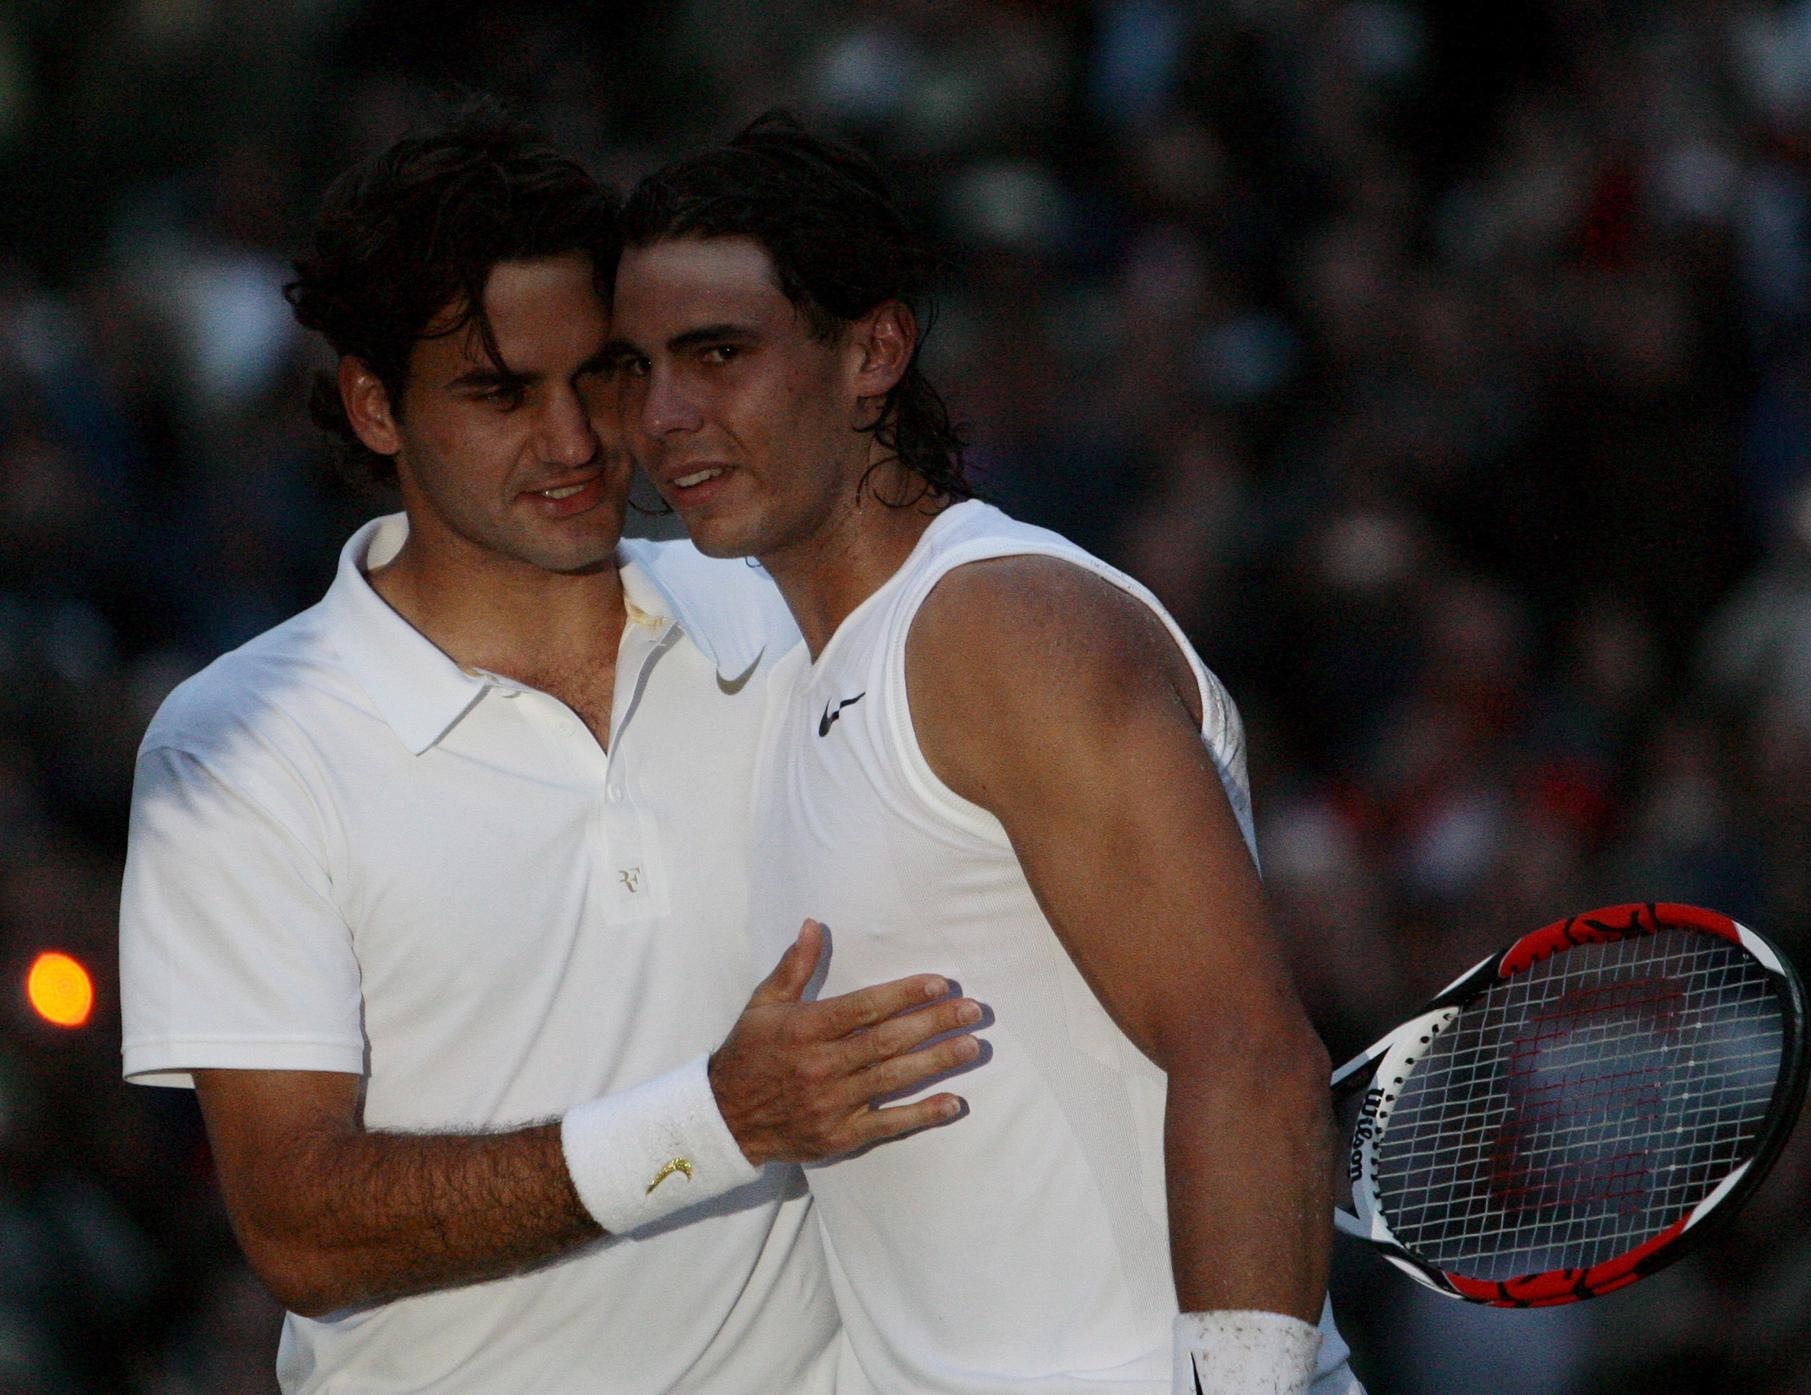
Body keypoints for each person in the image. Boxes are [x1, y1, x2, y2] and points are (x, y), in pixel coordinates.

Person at [116, 104, 985, 1395]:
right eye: (499, 391)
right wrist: (719, 1118)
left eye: (605, 374)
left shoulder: (788, 610)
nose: (576, 441)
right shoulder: (237, 743)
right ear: (372, 404)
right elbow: (299, 1220)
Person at [611, 113, 1363, 1395]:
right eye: (635, 370)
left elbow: (1247, 1054)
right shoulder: (808, 680)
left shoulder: (1000, 626)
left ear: (874, 349)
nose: (666, 416)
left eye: (719, 354)